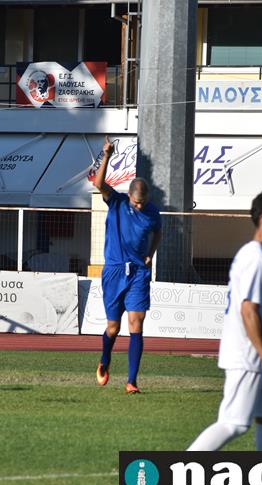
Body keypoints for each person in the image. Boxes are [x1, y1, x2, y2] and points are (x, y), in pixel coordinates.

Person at [187, 191, 262, 451]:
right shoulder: (255, 258)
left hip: (257, 355)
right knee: (233, 424)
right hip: (247, 356)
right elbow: (248, 311)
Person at [92, 136, 161, 394]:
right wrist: (107, 155)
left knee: (136, 323)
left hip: (139, 273)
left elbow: (158, 233)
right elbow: (99, 184)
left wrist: (150, 253)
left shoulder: (153, 213)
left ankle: (132, 382)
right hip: (114, 271)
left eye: (142, 202)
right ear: (129, 196)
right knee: (113, 327)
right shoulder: (117, 201)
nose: (139, 206)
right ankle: (105, 359)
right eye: (136, 202)